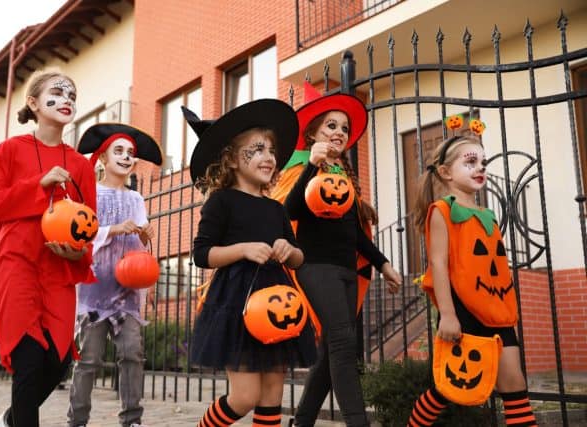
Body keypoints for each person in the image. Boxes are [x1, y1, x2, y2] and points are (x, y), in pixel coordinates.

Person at [273, 82, 403, 427]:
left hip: (346, 271)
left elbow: (354, 232)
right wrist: (309, 168)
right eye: (331, 125)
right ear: (313, 131)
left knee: (333, 349)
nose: (340, 132)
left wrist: (384, 263)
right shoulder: (303, 168)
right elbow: (289, 210)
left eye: (344, 128)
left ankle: (301, 423)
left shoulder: (342, 174)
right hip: (316, 268)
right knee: (345, 344)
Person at [182, 99, 317, 427]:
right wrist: (242, 249)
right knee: (244, 397)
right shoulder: (221, 202)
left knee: (272, 396)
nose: (268, 157)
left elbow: (299, 258)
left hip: (277, 301)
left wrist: (288, 248)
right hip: (236, 304)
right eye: (256, 149)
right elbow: (202, 254)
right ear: (230, 158)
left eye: (270, 150)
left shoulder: (276, 209)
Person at [0, 70, 97, 427]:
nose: (66, 100)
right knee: (29, 358)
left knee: (57, 360)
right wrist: (39, 184)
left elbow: (88, 224)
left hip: (59, 268)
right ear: (33, 103)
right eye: (57, 94)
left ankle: (11, 419)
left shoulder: (80, 165)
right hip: (17, 261)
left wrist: (79, 254)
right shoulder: (10, 150)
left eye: (71, 95)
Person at [407, 135, 537, 426]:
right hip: (463, 309)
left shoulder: (487, 215)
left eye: (483, 162)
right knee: (447, 388)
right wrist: (448, 315)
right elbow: (438, 265)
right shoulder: (442, 211)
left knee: (515, 385)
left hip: (496, 309)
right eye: (470, 162)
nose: (481, 168)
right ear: (446, 172)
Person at [66, 123, 163, 427]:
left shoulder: (136, 199)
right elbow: (80, 235)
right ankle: (77, 420)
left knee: (132, 354)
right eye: (118, 151)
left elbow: (139, 241)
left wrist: (145, 234)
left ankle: (132, 419)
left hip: (127, 291)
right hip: (95, 288)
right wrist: (112, 229)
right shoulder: (91, 194)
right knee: (89, 358)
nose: (125, 157)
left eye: (130, 153)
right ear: (103, 159)